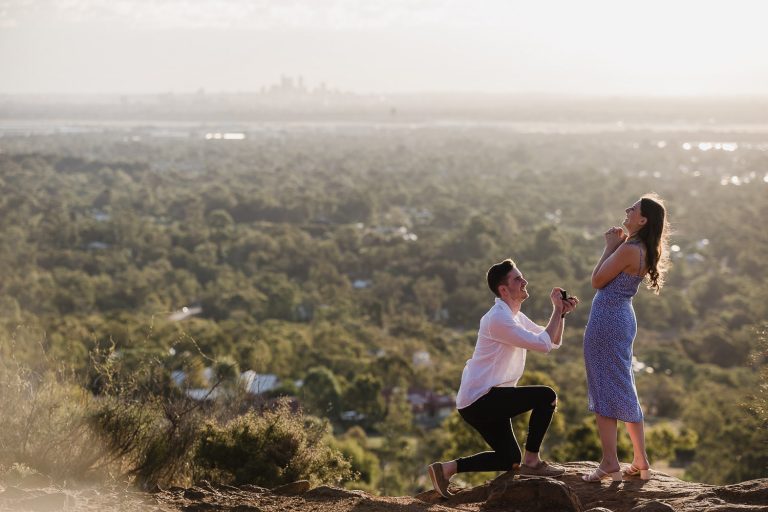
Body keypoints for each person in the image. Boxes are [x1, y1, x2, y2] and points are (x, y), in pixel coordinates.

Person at [427, 258, 579, 498]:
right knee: (546, 396)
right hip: (482, 399)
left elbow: (552, 340)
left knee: (509, 459)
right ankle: (533, 461)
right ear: (504, 289)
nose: (525, 281)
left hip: (483, 399)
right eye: (518, 279)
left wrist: (560, 314)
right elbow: (544, 345)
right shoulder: (497, 319)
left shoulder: (515, 315)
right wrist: (555, 310)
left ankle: (446, 469)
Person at [581, 194, 670, 482]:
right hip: (622, 318)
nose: (627, 210)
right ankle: (641, 460)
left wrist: (608, 247)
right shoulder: (642, 247)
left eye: (633, 209)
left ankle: (610, 462)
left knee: (604, 387)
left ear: (642, 220)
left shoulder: (630, 248)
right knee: (622, 384)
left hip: (607, 320)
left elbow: (597, 281)